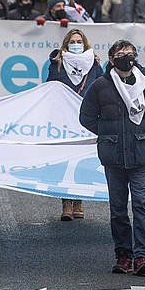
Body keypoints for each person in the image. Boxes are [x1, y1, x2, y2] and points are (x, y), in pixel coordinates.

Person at [79, 40, 145, 276]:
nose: (126, 57)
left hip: (143, 155)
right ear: (111, 59)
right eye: (121, 54)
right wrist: (108, 134)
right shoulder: (101, 86)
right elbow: (86, 117)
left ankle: (141, 256)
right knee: (118, 208)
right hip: (113, 156)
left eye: (130, 54)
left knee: (142, 205)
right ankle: (123, 255)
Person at [46, 29, 103, 221]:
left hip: (87, 119)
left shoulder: (94, 63)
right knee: (65, 160)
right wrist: (54, 62)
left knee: (82, 159)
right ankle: (66, 203)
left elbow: (103, 85)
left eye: (79, 41)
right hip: (64, 119)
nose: (76, 44)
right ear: (66, 44)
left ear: (85, 44)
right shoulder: (58, 63)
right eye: (72, 41)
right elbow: (50, 86)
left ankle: (78, 200)